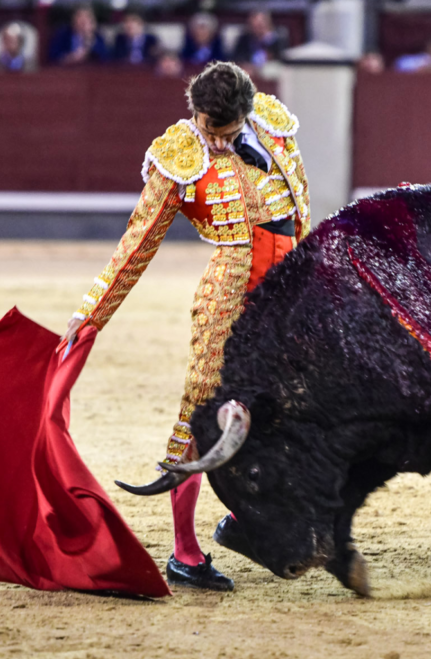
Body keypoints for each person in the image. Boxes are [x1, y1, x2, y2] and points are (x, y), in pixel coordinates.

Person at [60, 61, 311, 591]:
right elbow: (136, 245)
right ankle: (184, 552)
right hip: (230, 295)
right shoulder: (179, 155)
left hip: (289, 291)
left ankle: (246, 520)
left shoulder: (272, 124)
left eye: (224, 131)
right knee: (200, 414)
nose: (213, 140)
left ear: (245, 115)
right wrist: (91, 314)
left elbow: (301, 207)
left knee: (290, 407)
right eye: (205, 127)